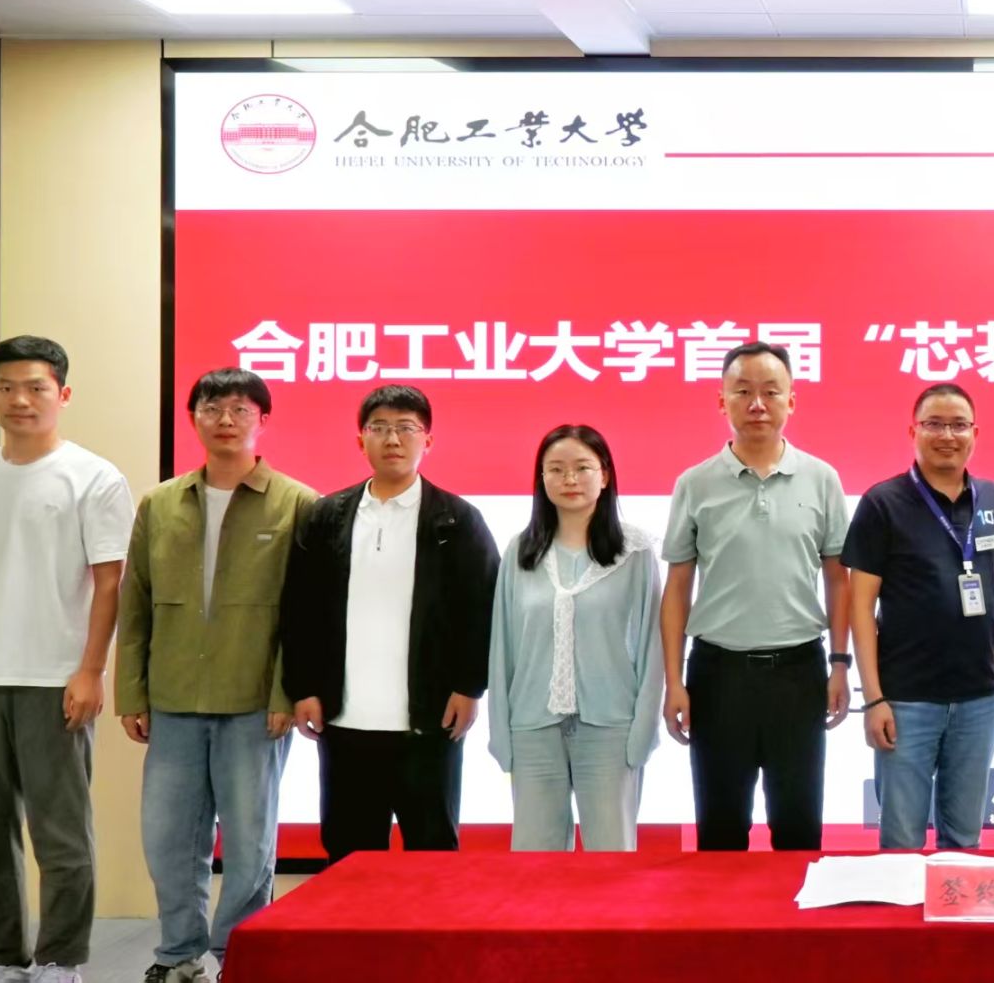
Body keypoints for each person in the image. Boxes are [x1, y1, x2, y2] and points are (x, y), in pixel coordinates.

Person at [0, 335, 134, 983]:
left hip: (53, 678)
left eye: (36, 387)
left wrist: (91, 669)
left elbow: (110, 581)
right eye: (7, 387)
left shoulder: (94, 477)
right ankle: (2, 959)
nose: (21, 399)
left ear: (62, 394)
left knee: (61, 834)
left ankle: (60, 959)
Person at [117, 368, 315, 982]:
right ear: (194, 418)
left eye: (240, 409)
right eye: (212, 408)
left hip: (254, 702)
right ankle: (178, 954)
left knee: (251, 841)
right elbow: (136, 602)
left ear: (263, 420)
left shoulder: (297, 503)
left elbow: (305, 616)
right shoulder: (160, 503)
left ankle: (240, 955)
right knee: (169, 837)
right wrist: (131, 692)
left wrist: (286, 692)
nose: (226, 419)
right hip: (173, 696)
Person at [278, 384, 500, 862]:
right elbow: (300, 609)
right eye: (379, 428)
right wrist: (304, 688)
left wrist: (470, 686)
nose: (392, 439)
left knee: (431, 850)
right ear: (361, 440)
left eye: (406, 428)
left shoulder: (457, 521)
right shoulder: (326, 516)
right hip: (344, 719)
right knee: (349, 854)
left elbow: (481, 609)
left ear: (428, 440)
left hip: (428, 720)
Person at [660, 341, 851, 852]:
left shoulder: (822, 478)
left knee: (799, 829)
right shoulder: (695, 483)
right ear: (721, 401)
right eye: (743, 391)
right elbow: (677, 587)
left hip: (799, 672)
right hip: (718, 675)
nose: (758, 404)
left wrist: (839, 664)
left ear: (792, 400)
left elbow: (839, 579)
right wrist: (673, 682)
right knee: (721, 832)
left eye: (771, 391)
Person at [845, 383, 994, 850]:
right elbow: (860, 608)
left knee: (964, 842)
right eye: (934, 424)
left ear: (975, 433)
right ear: (914, 431)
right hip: (906, 700)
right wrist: (874, 699)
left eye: (958, 425)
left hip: (978, 700)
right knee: (901, 842)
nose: (947, 435)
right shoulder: (882, 503)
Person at [488, 424, 664, 851]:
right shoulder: (520, 551)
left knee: (611, 857)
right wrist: (501, 734)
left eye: (583, 467)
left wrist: (644, 730)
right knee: (535, 860)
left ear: (605, 475)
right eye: (556, 469)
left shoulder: (635, 552)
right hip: (533, 728)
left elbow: (652, 647)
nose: (570, 479)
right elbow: (502, 648)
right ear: (541, 478)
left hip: (611, 727)